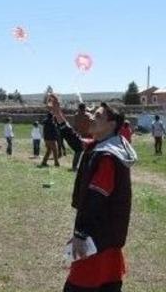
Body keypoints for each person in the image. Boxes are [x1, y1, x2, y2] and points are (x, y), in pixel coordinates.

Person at [48, 94, 137, 292]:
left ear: (111, 124)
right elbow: (76, 143)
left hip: (97, 237)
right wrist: (58, 114)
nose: (91, 117)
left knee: (82, 285)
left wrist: (80, 234)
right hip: (106, 236)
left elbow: (96, 199)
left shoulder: (107, 156)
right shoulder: (103, 145)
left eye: (98, 116)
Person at [67, 104, 92, 171]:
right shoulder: (88, 115)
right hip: (88, 135)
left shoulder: (76, 115)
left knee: (78, 151)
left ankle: (75, 166)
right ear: (84, 108)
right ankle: (85, 166)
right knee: (87, 151)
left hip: (80, 135)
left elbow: (74, 126)